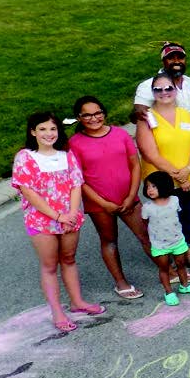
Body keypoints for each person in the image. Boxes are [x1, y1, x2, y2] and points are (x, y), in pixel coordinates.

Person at [13, 111, 104, 332]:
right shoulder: (25, 157)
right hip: (42, 220)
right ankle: (57, 312)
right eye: (42, 129)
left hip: (70, 218)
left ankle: (77, 302)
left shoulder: (66, 154)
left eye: (53, 129)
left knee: (69, 259)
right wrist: (58, 216)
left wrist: (72, 213)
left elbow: (76, 184)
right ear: (33, 132)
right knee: (50, 265)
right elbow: (29, 193)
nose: (48, 133)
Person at [69, 95, 155, 300]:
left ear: (104, 113)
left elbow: (135, 165)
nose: (93, 118)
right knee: (109, 241)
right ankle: (121, 282)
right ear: (79, 118)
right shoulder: (74, 144)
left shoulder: (120, 134)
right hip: (100, 205)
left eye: (97, 113)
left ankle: (168, 270)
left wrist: (132, 195)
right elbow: (78, 180)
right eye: (86, 115)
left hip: (129, 198)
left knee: (146, 235)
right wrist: (103, 203)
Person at [135, 74, 190, 273]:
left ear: (175, 90)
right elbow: (150, 154)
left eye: (168, 88)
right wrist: (178, 176)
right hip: (163, 182)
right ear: (152, 93)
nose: (164, 92)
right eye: (158, 89)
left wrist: (188, 170)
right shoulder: (147, 118)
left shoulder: (186, 114)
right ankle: (174, 261)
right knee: (166, 223)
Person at [140, 171, 190, 306]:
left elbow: (178, 216)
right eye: (147, 187)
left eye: (154, 186)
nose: (150, 190)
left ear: (164, 186)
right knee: (164, 268)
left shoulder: (174, 200)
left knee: (181, 264)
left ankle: (185, 286)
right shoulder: (147, 207)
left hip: (177, 240)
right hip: (159, 245)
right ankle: (169, 292)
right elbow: (145, 223)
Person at [133, 42, 190, 122]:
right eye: (171, 58)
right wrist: (139, 110)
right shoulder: (148, 85)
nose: (176, 62)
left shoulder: (188, 81)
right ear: (163, 61)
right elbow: (138, 113)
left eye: (180, 58)